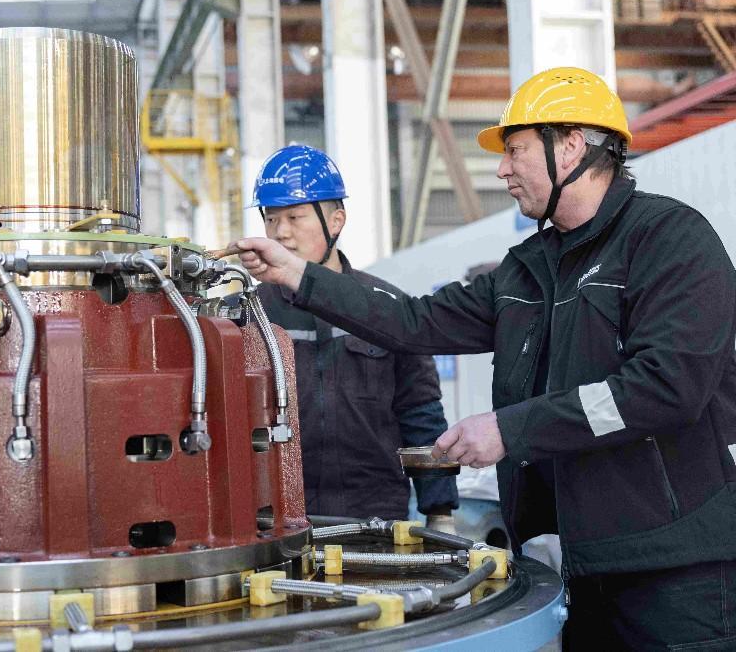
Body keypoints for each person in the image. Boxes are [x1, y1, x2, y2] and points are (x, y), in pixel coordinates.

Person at [234, 67, 736, 650]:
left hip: (675, 570)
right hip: (579, 564)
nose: (502, 169)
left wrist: (509, 430)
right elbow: (412, 321)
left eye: (514, 150)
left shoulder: (668, 239)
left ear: (571, 145)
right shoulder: (527, 269)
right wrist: (297, 274)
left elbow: (665, 388)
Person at [247, 144, 458, 529]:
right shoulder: (249, 315)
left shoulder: (386, 308)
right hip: (275, 519)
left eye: (294, 217)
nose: (281, 233)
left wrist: (440, 511)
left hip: (375, 519)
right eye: (271, 219)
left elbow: (421, 412)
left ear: (336, 221)